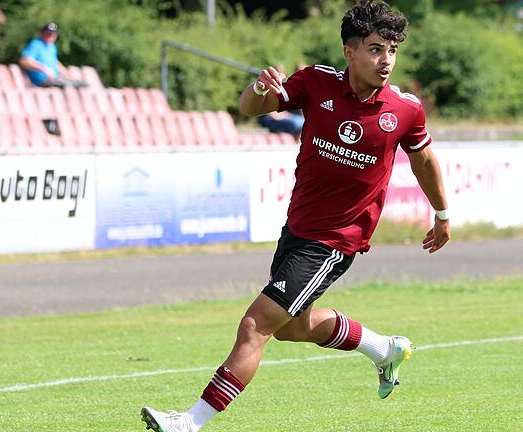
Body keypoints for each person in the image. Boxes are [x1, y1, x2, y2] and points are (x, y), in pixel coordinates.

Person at [140, 1, 450, 431]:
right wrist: (260, 89)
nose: (386, 61)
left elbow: (424, 160)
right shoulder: (315, 83)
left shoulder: (405, 109)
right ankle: (384, 348)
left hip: (335, 240)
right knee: (291, 326)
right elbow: (250, 107)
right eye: (376, 49)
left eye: (392, 51)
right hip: (298, 230)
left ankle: (190, 423)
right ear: (350, 52)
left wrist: (442, 213)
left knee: (255, 325)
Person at [19, 22, 86, 88]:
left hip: (54, 80)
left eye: (53, 34)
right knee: (70, 86)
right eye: (48, 33)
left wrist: (68, 75)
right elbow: (24, 61)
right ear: (42, 34)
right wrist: (43, 68)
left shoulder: (52, 47)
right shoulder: (36, 44)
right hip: (41, 82)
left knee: (81, 84)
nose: (50, 36)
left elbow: (55, 63)